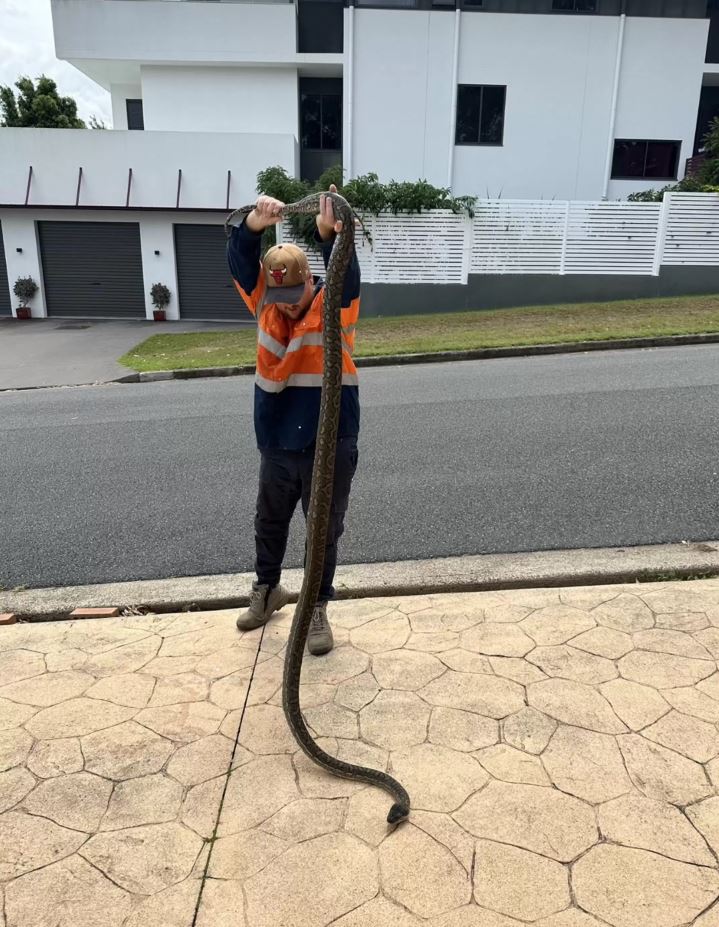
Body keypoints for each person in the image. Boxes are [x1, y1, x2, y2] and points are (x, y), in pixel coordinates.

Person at [226, 185, 361, 655]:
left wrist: (329, 235)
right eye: (276, 291)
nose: (285, 302)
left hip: (332, 441)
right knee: (270, 521)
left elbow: (348, 274)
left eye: (293, 290)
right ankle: (267, 591)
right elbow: (243, 267)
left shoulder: (335, 308)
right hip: (278, 442)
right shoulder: (265, 303)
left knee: (323, 528)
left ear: (311, 280)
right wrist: (251, 228)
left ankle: (317, 606)